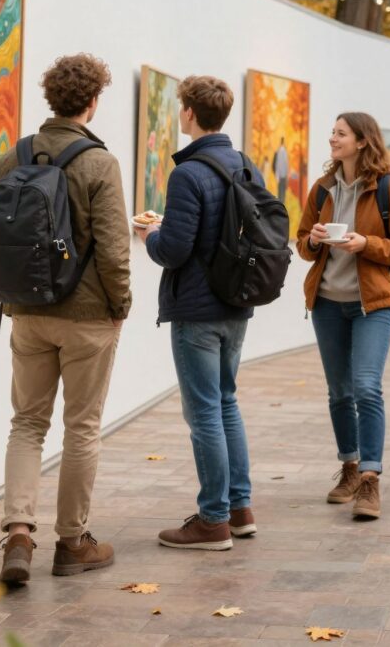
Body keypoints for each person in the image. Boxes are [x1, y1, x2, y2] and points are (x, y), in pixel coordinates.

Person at [0, 54, 131, 584]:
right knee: (82, 427)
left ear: (53, 99)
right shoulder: (99, 163)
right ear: (93, 102)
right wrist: (120, 308)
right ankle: (72, 542)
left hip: (27, 310)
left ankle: (19, 534)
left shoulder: (14, 155)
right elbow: (116, 251)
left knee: (26, 424)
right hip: (87, 316)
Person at [135, 76, 259, 550]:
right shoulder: (246, 166)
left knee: (204, 410)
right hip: (237, 304)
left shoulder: (187, 173)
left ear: (188, 113)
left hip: (198, 309)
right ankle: (239, 508)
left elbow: (175, 251)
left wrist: (150, 236)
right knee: (226, 401)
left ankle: (212, 521)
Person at [298, 113, 390, 520]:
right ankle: (349, 467)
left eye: (340, 133)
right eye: (332, 132)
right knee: (340, 392)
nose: (332, 138)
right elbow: (300, 243)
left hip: (374, 305)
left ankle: (370, 478)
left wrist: (366, 243)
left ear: (363, 141)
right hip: (328, 304)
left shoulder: (389, 189)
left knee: (367, 388)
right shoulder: (322, 188)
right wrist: (313, 241)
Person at [273, 137, 289, 203]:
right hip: (283, 175)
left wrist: (277, 175)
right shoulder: (283, 152)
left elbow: (278, 164)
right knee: (282, 192)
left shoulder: (280, 151)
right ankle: (282, 204)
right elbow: (283, 164)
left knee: (280, 192)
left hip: (281, 175)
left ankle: (281, 204)